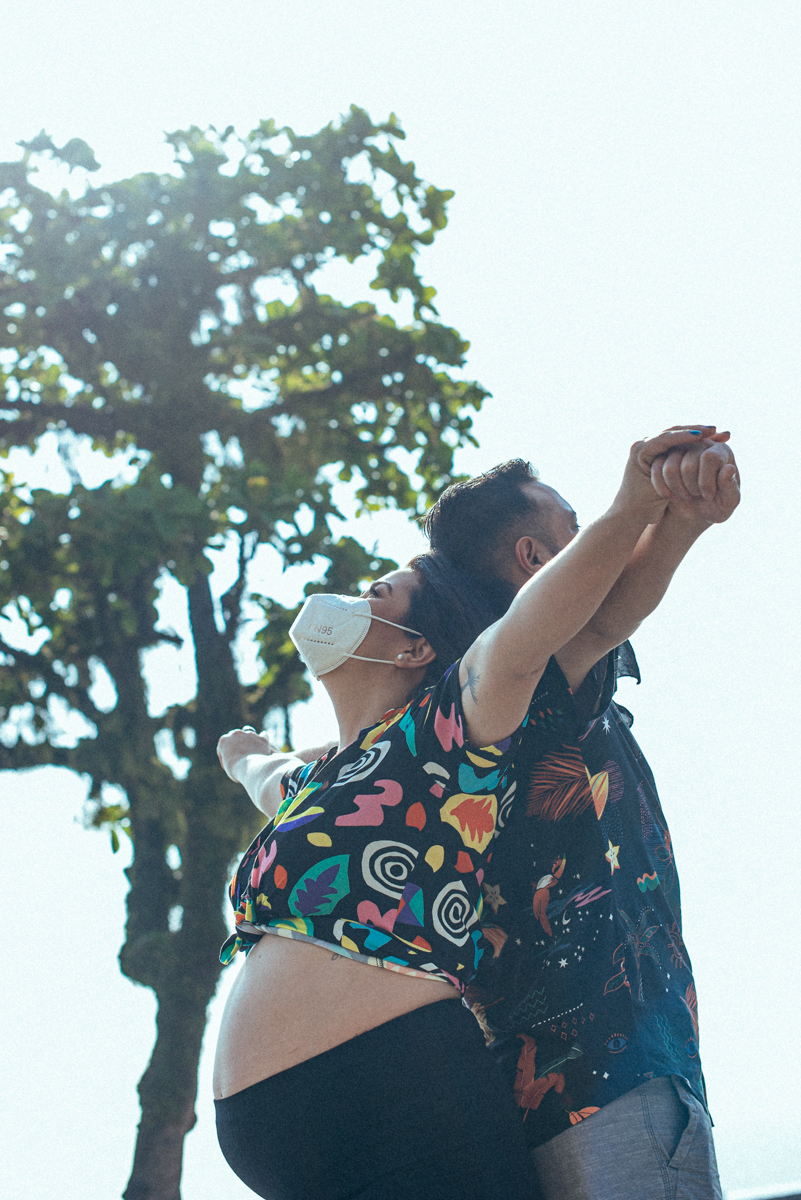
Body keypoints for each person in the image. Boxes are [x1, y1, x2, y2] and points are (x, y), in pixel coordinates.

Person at [212, 427, 715, 1200]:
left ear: (418, 650)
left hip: (452, 1088)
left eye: (380, 591)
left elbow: (554, 636)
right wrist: (242, 755)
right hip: (307, 1126)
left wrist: (644, 509)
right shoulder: (325, 782)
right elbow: (268, 773)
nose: (354, 596)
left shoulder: (446, 733)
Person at [420, 430, 740, 1200]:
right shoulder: (522, 687)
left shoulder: (485, 707)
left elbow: (604, 622)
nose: (605, 536)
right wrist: (654, 511)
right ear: (536, 560)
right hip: (607, 1078)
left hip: (561, 1091)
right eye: (579, 528)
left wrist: (682, 520)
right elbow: (598, 620)